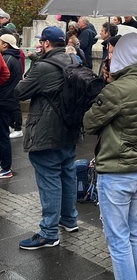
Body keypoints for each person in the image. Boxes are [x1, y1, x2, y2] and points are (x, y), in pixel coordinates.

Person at [83, 33, 137, 280]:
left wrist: (107, 86)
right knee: (134, 231)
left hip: (116, 172)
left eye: (114, 52)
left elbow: (89, 123)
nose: (110, 56)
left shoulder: (116, 90)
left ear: (123, 56)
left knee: (117, 240)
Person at [14, 26, 79, 249]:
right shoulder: (75, 60)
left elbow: (20, 92)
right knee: (67, 173)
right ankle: (70, 219)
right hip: (69, 128)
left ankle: (49, 232)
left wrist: (31, 69)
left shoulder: (42, 67)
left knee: (49, 178)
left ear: (47, 43)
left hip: (46, 131)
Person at [0, 34, 23, 176]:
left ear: (5, 45)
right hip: (9, 100)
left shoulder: (6, 59)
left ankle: (6, 168)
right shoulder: (15, 57)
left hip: (4, 101)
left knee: (3, 136)